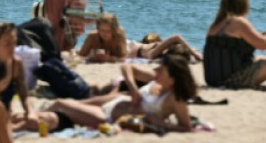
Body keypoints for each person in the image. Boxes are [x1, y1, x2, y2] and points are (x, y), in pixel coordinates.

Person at [45, 54, 196, 133]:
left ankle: (37, 117)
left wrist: (158, 122)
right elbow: (126, 67)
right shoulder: (156, 80)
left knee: (61, 104)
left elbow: (186, 128)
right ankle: (39, 116)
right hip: (114, 101)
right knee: (70, 106)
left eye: (162, 70)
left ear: (173, 78)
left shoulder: (175, 98)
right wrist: (134, 89)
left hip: (109, 118)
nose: (157, 72)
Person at [126, 33, 203, 62]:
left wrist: (193, 52)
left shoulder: (155, 54)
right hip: (132, 47)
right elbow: (177, 36)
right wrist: (194, 53)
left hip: (136, 48)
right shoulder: (154, 53)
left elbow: (177, 38)